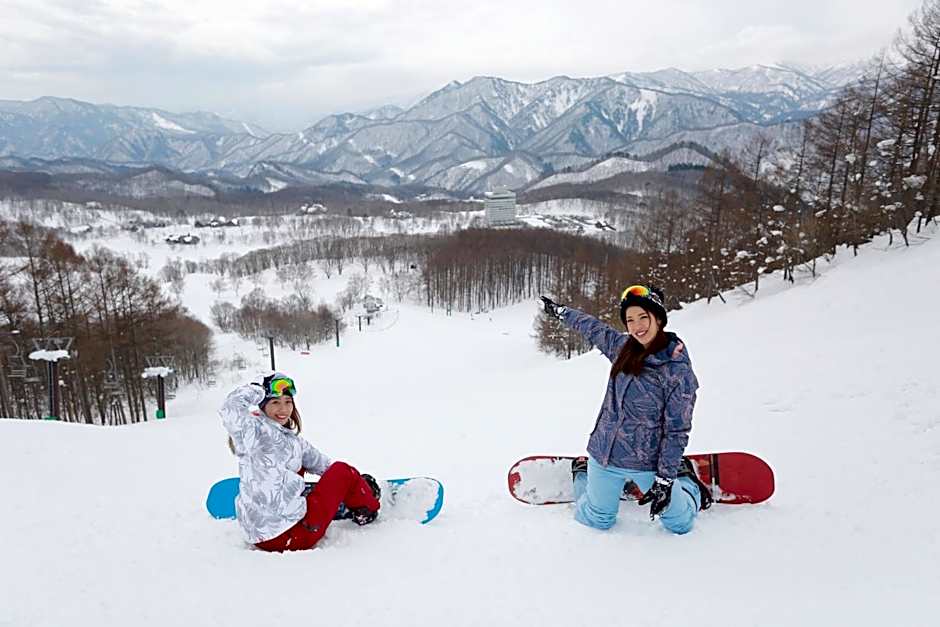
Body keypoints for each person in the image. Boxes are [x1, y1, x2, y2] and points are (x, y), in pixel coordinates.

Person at [539, 285, 712, 534]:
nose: (637, 326)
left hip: (649, 464)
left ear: (659, 318)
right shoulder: (622, 347)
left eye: (644, 317)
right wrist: (562, 312)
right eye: (630, 320)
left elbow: (677, 429)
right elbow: (593, 328)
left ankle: (686, 481)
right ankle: (582, 473)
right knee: (597, 520)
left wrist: (664, 479)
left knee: (680, 524)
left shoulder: (677, 371)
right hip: (605, 453)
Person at [219, 372, 381, 552]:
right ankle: (368, 508)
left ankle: (342, 494)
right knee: (343, 470)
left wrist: (341, 485)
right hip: (294, 535)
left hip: (259, 537)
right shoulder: (254, 431)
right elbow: (230, 408)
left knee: (317, 471)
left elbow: (323, 466)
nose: (283, 409)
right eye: (275, 402)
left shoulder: (290, 440)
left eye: (288, 402)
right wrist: (258, 388)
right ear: (263, 405)